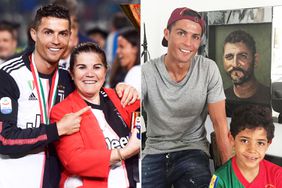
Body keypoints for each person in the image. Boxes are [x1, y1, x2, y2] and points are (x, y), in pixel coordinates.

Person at [0, 4, 138, 188]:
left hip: (56, 179)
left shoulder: (67, 77)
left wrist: (123, 88)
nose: (56, 40)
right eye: (48, 32)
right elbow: (4, 138)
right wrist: (56, 129)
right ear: (34, 34)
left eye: (63, 33)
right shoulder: (8, 75)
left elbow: (95, 90)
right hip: (17, 179)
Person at [141, 7, 232, 188]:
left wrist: (230, 174)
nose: (188, 43)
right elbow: (132, 110)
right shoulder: (147, 71)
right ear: (167, 34)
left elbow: (220, 123)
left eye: (195, 37)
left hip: (193, 150)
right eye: (181, 33)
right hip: (154, 151)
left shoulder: (208, 69)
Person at [50, 42, 140, 188]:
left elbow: (153, 117)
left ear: (106, 71)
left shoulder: (120, 96)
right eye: (82, 67)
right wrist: (124, 152)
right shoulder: (63, 110)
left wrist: (136, 92)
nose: (90, 74)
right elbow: (74, 160)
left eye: (97, 67)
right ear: (71, 73)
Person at [209, 105, 282, 187]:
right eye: (244, 141)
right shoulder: (220, 179)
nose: (252, 149)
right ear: (232, 139)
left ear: (268, 144)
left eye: (260, 143)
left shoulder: (278, 175)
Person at [223, 30, 271, 116]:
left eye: (243, 56)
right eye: (229, 57)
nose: (235, 64)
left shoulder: (269, 97)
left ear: (255, 60)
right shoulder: (220, 97)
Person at [110, 27, 140, 92]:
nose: (117, 51)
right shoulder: (118, 72)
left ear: (135, 48)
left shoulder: (137, 73)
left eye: (122, 46)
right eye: (117, 47)